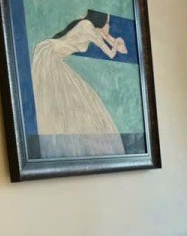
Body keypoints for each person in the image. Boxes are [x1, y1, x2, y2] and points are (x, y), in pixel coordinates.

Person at [31, 9, 127, 158]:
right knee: (68, 98)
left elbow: (120, 48)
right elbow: (111, 54)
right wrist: (116, 43)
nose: (108, 25)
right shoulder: (87, 26)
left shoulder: (92, 28)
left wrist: (116, 42)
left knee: (76, 99)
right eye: (108, 22)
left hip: (54, 56)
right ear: (100, 20)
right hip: (49, 54)